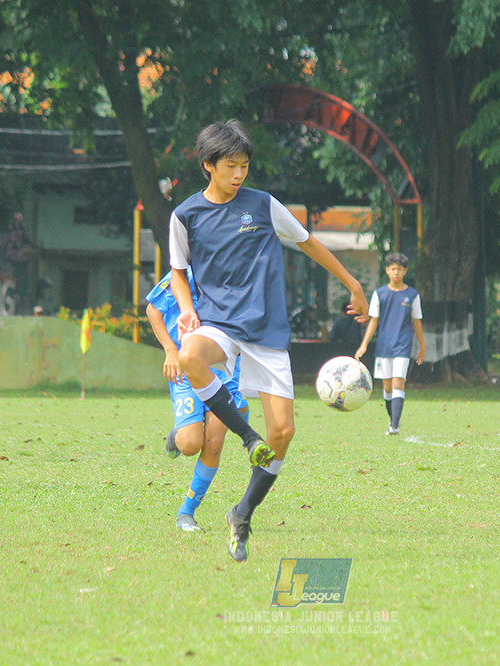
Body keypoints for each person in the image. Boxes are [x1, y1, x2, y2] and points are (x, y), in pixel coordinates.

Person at [169, 119, 368, 562]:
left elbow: (309, 244)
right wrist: (186, 307)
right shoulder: (184, 215)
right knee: (190, 355)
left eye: (244, 166)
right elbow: (178, 272)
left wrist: (353, 284)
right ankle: (245, 435)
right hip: (219, 322)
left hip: (267, 329)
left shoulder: (263, 205)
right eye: (230, 166)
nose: (239, 174)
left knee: (283, 433)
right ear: (208, 166)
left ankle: (242, 513)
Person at [144, 267, 249, 533]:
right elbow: (153, 311)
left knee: (214, 443)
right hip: (186, 367)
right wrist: (170, 350)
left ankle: (186, 512)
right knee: (191, 444)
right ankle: (179, 434)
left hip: (224, 371)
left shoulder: (238, 276)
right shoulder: (187, 273)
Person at [354, 252, 425, 435]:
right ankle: (393, 421)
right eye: (393, 269)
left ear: (405, 272)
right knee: (386, 387)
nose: (396, 273)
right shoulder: (380, 294)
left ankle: (394, 425)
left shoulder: (412, 295)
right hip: (384, 346)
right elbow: (374, 321)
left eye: (399, 269)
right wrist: (364, 345)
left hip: (403, 346)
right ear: (387, 270)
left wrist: (422, 347)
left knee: (398, 384)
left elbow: (417, 321)